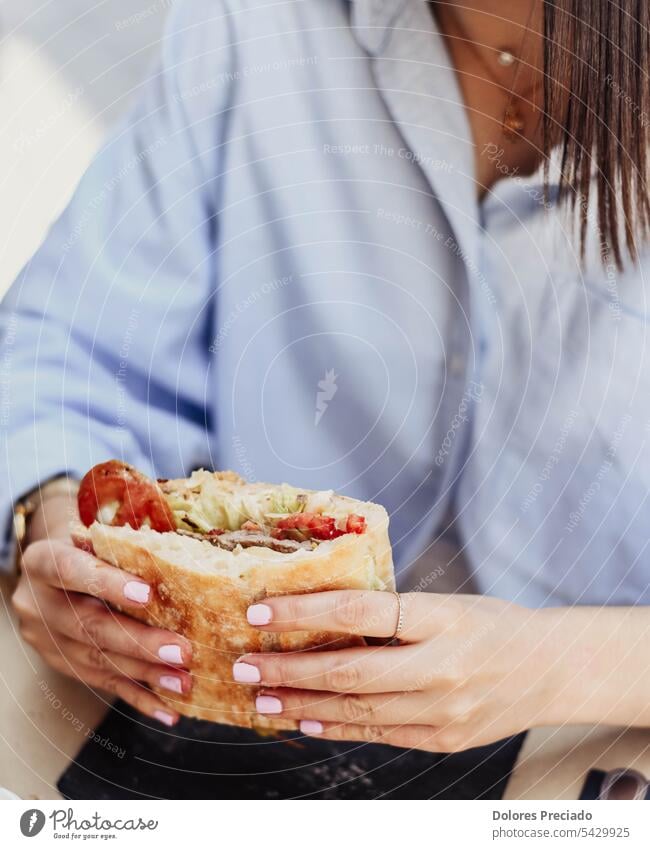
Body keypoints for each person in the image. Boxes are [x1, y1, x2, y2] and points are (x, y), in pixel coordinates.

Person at [2, 0, 650, 751]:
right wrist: (54, 525)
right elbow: (64, 346)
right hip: (218, 732)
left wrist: (561, 667)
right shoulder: (256, 24)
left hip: (595, 759)